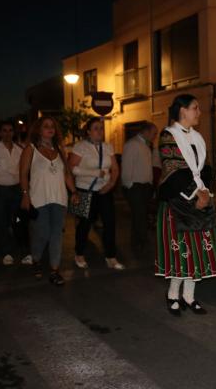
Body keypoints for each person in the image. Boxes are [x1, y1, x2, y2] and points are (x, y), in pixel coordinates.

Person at [157, 94, 216, 316]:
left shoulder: (197, 137)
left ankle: (189, 296)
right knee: (182, 251)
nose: (199, 112)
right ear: (182, 110)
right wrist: (196, 194)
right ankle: (173, 294)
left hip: (198, 197)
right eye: (195, 108)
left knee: (196, 251)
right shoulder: (168, 135)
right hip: (178, 201)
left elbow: (204, 169)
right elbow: (173, 170)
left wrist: (204, 191)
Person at [20, 116, 79, 286]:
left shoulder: (60, 149)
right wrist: (25, 194)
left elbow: (67, 174)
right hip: (38, 198)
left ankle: (54, 270)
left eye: (52, 126)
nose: (50, 129)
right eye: (46, 126)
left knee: (56, 236)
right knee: (43, 233)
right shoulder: (30, 149)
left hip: (59, 198)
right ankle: (36, 259)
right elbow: (23, 174)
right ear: (39, 129)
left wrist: (73, 191)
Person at [69, 117, 123, 270]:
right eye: (96, 128)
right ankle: (79, 253)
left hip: (104, 191)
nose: (100, 131)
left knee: (110, 223)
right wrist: (93, 173)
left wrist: (111, 184)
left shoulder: (107, 147)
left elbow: (115, 169)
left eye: (101, 128)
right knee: (84, 225)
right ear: (88, 132)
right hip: (86, 190)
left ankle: (111, 256)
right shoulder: (80, 147)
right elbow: (72, 168)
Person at [0, 121, 31, 265]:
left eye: (10, 130)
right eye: (4, 130)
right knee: (1, 221)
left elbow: (26, 171)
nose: (7, 133)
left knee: (18, 221)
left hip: (17, 189)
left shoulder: (20, 149)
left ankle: (24, 250)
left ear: (14, 132)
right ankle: (6, 252)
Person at [121, 122, 158, 254]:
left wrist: (150, 185)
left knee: (141, 215)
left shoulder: (146, 145)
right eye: (154, 133)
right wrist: (130, 186)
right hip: (135, 187)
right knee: (139, 216)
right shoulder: (132, 144)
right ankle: (140, 243)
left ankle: (139, 242)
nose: (155, 136)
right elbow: (126, 167)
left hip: (145, 186)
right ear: (146, 132)